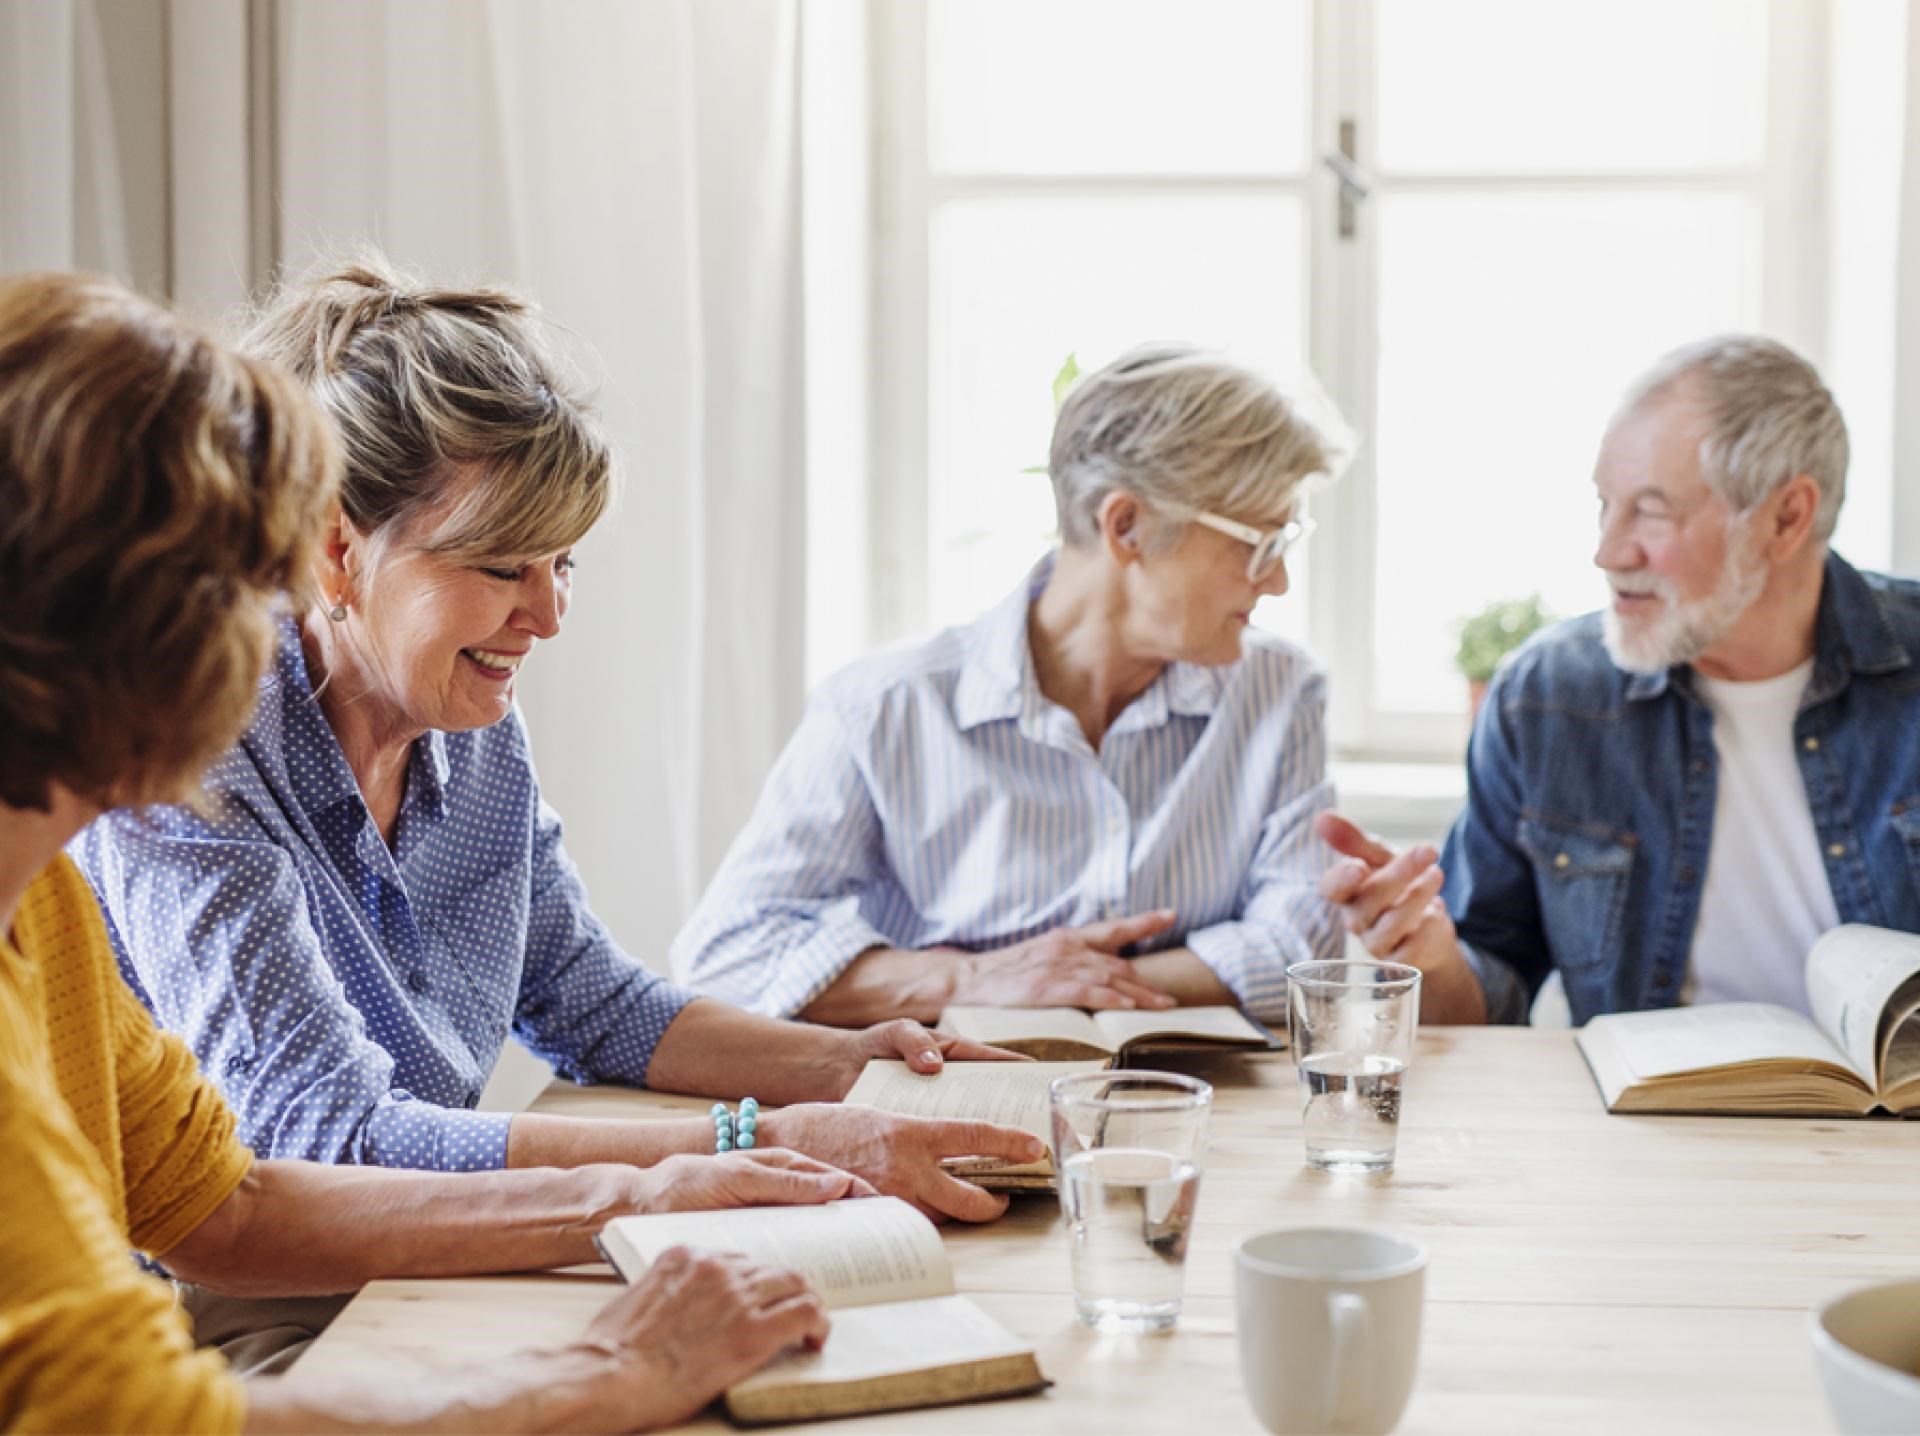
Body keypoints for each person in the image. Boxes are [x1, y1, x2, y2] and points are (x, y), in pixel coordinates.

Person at [0, 270, 869, 1433]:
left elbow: (228, 1202)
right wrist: (598, 1367)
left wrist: (671, 1174)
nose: (262, 631)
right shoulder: (188, 785)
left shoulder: (43, 899)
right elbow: (130, 1406)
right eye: (230, 582)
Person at [73, 255, 1040, 1233]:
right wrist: (753, 1141)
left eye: (562, 561)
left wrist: (852, 1063)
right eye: (502, 566)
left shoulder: (472, 726)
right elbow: (323, 1138)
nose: (547, 614)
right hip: (226, 1303)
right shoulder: (197, 757)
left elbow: (586, 998)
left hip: (427, 1248)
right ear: (336, 548)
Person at [672, 343, 1347, 1025]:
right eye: (1262, 545)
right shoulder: (884, 708)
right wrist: (971, 979)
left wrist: (1067, 983)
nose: (1279, 580)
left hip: (1204, 1108)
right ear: (1127, 526)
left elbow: (1302, 945)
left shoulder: (1280, 692)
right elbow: (727, 955)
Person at [1317, 336, 1920, 1025]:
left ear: (1787, 518)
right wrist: (1429, 956)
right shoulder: (1546, 697)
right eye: (1606, 503)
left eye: (1652, 511)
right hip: (1641, 1124)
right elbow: (1485, 1000)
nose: (1607, 551)